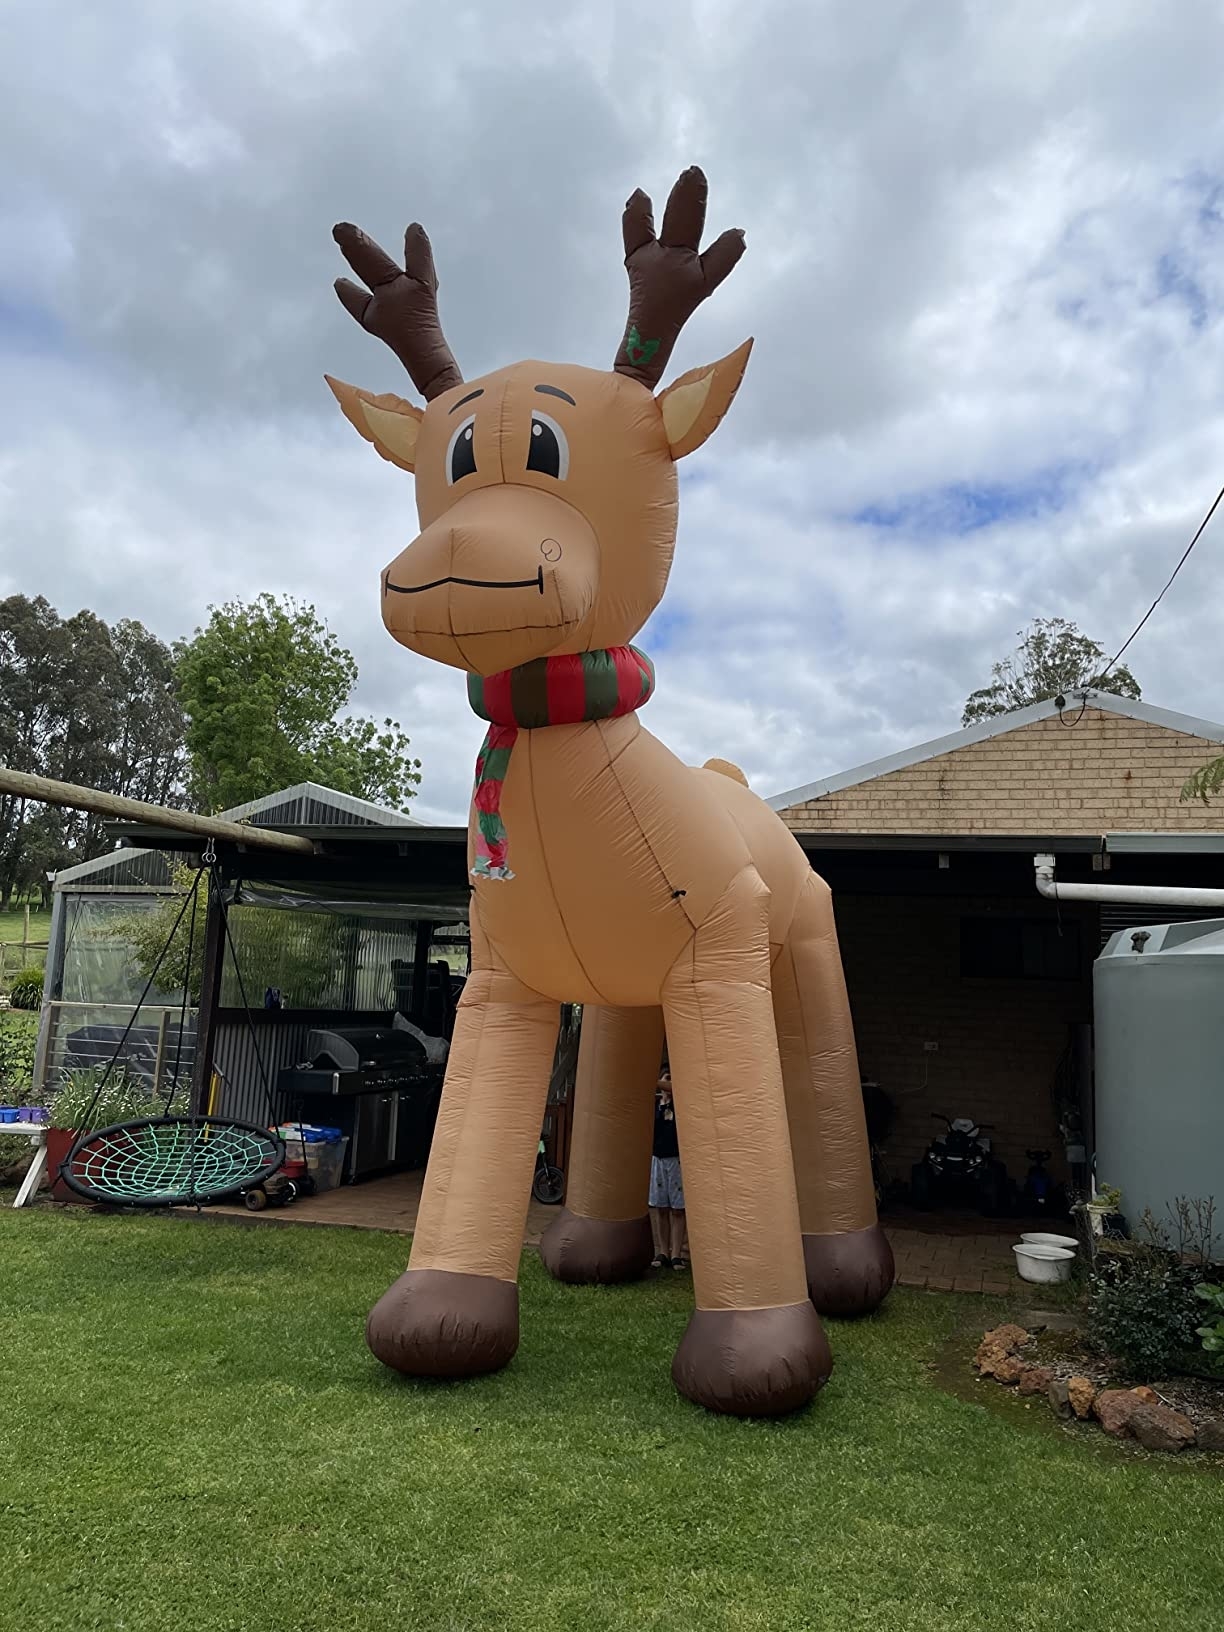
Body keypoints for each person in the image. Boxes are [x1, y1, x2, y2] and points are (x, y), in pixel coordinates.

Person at [649, 1068, 688, 1270]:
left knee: (678, 1210)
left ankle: (676, 1253)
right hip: (658, 1159)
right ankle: (663, 1251)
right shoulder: (656, 1106)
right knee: (661, 1208)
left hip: (676, 1160)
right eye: (667, 1079)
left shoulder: (681, 1103)